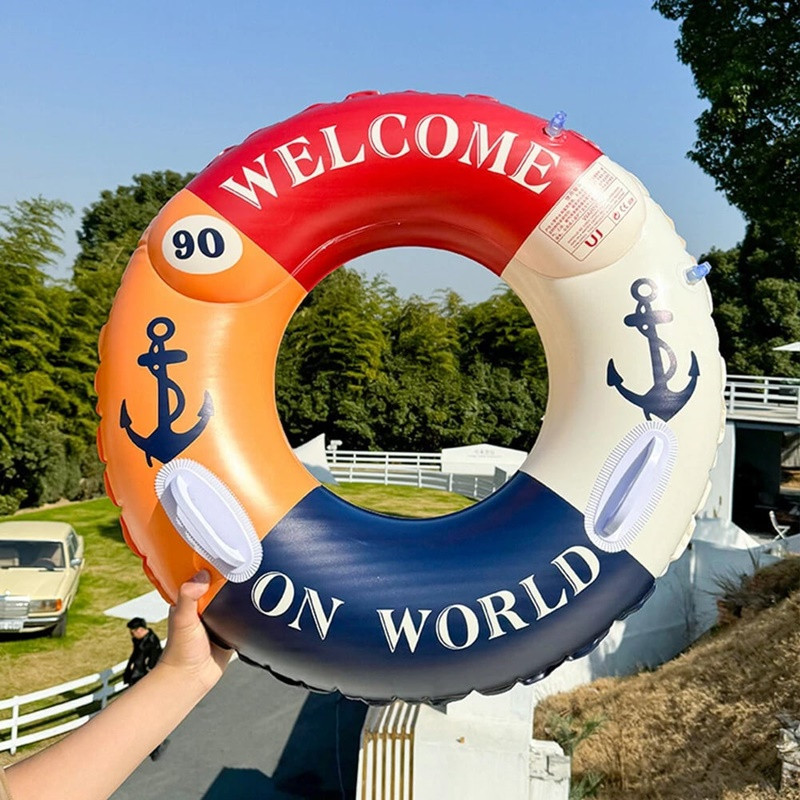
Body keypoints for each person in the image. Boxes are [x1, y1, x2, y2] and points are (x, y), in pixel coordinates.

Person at [0, 570, 231, 800]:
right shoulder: (139, 639)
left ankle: (157, 745)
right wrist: (183, 674)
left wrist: (183, 674)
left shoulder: (149, 640)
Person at [123, 616, 166, 759]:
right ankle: (150, 744)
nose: (131, 635)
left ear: (140, 630)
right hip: (137, 680)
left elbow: (152, 664)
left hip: (144, 683)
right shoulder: (139, 641)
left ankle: (156, 745)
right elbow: (135, 656)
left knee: (146, 715)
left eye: (133, 631)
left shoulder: (152, 643)